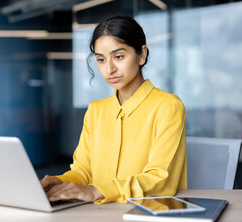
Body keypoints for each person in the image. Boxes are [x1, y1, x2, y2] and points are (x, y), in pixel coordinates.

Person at [40, 15, 187, 204]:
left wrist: (96, 191)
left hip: (146, 214)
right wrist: (59, 181)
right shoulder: (95, 110)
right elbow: (84, 171)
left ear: (142, 55)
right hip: (100, 213)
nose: (109, 69)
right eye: (101, 60)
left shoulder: (167, 106)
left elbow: (161, 179)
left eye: (118, 57)